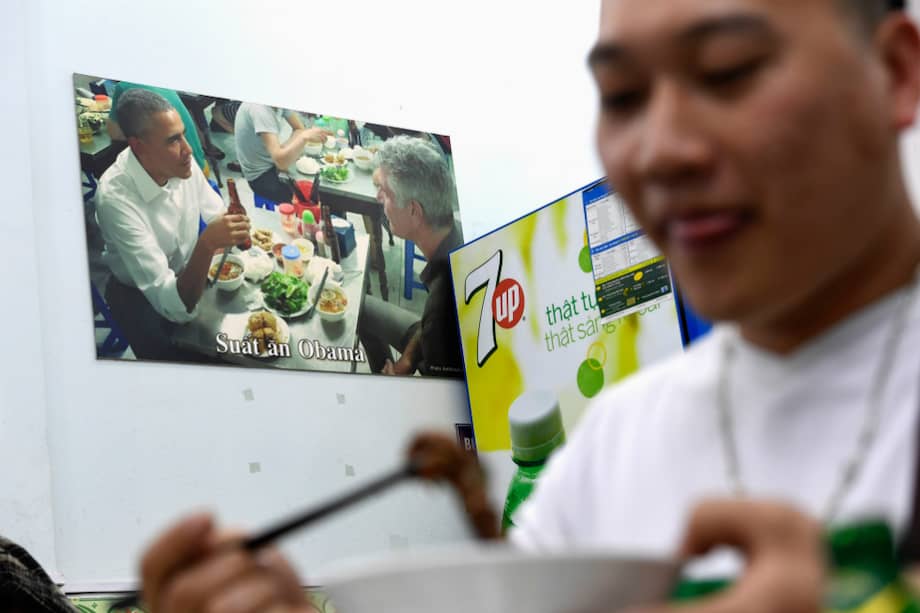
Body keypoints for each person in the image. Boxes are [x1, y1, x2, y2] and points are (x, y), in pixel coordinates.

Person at [138, 0, 920, 610]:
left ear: (894, 74)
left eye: (730, 70)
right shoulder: (613, 442)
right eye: (622, 95)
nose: (661, 146)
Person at [96, 89, 251, 360]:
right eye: (173, 140)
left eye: (183, 134)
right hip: (137, 293)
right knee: (171, 363)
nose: (188, 149)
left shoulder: (181, 167)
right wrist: (207, 243)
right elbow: (172, 304)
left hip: (184, 270)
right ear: (138, 146)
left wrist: (229, 229)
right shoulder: (116, 198)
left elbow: (216, 214)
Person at [357, 135, 465, 378]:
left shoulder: (444, 304)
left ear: (414, 210)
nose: (378, 198)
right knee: (360, 308)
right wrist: (405, 362)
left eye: (384, 192)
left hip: (440, 361)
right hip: (429, 332)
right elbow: (429, 323)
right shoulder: (453, 233)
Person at [106, 81, 211, 178]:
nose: (189, 149)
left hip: (187, 169)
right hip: (201, 163)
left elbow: (116, 134)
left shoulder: (124, 87)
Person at [234, 102, 331, 203]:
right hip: (260, 177)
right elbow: (281, 164)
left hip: (272, 162)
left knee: (319, 188)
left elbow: (299, 128)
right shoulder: (261, 110)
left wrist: (283, 150)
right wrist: (303, 137)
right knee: (317, 198)